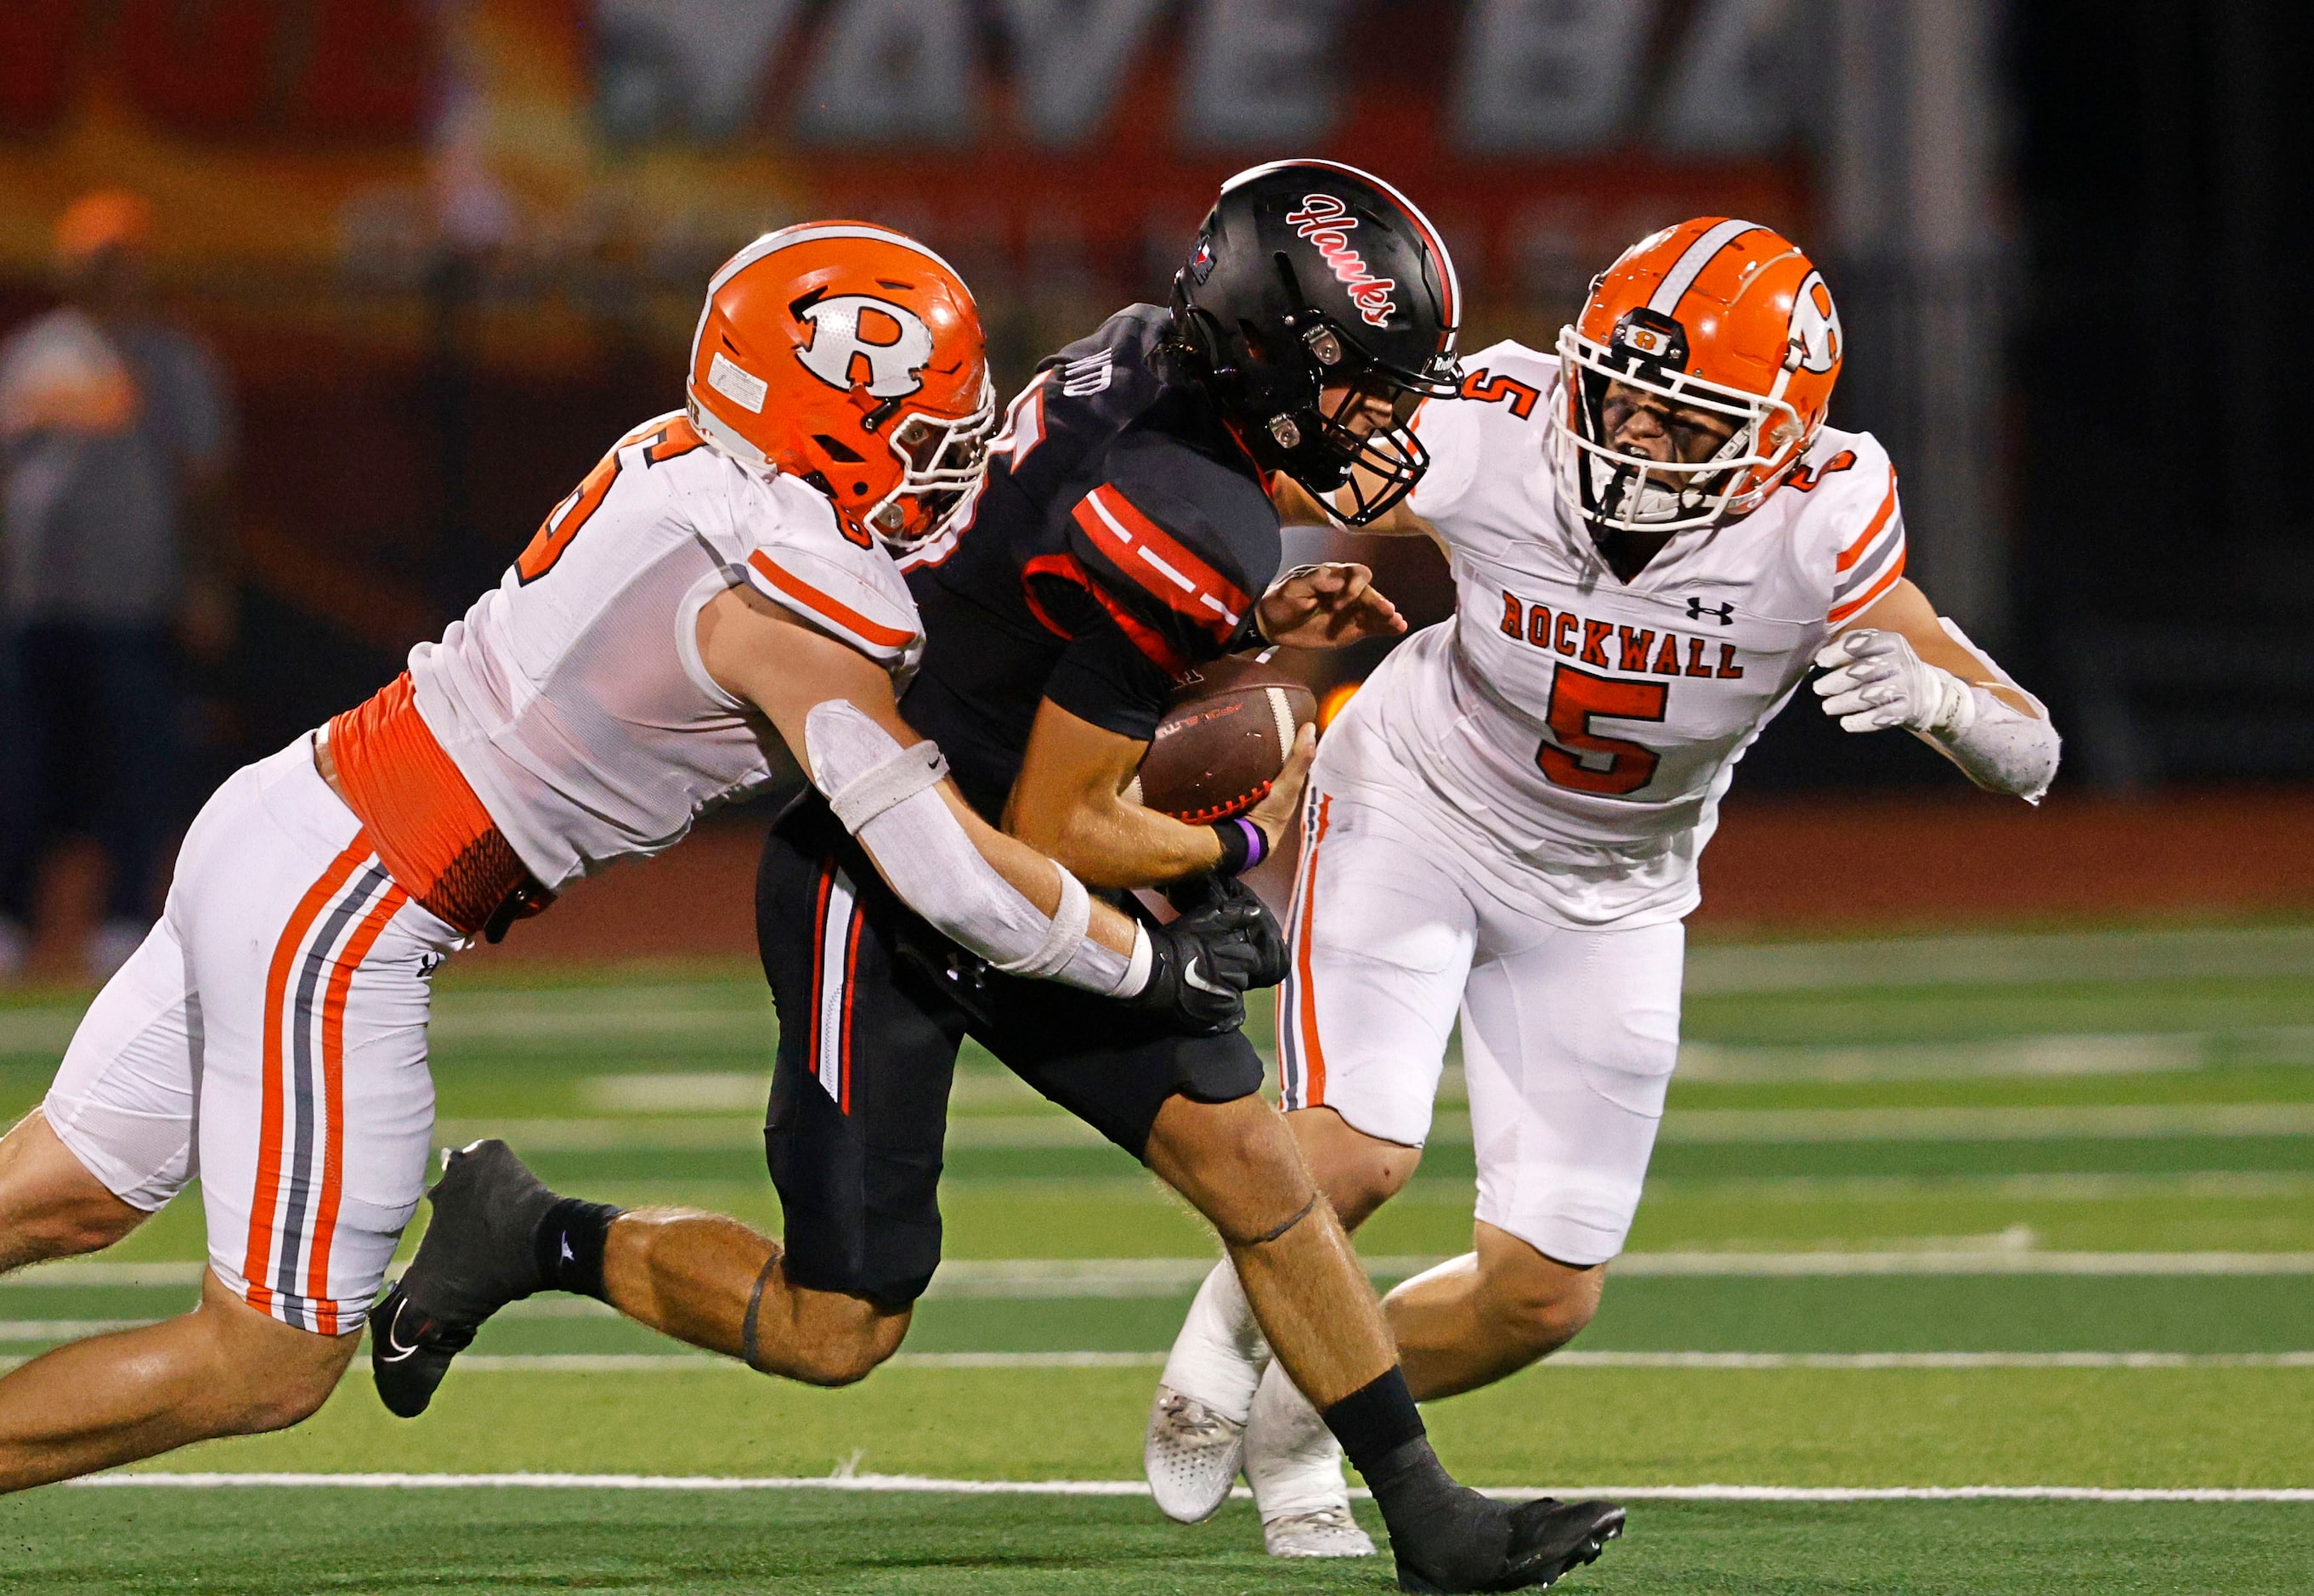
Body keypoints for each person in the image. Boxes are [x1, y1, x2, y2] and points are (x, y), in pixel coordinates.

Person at [390, 162, 1627, 1594]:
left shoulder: (1140, 359)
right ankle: (526, 1230)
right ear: (1268, 361)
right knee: (835, 1323)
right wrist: (1234, 841)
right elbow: (1059, 824)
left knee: (1263, 1177)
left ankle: (1429, 1520)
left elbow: (1052, 601)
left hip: (992, 788)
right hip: (889, 869)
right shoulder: (1187, 518)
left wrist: (1235, 627)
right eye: (1358, 382)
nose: (1384, 417)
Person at [0, 221, 1279, 1493]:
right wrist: (1146, 964)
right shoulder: (789, 602)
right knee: (267, 1360)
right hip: (351, 897)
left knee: (68, 1192)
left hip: (290, 816)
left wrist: (1231, 618)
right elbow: (945, 874)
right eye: (923, 430)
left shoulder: (693, 462)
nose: (946, 461)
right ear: (824, 412)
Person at [1147, 217, 2064, 1555]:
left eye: (1681, 422)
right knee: (1352, 1153)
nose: (1631, 440)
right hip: (1420, 795)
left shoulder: (1821, 514)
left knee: (1538, 1299)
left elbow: (2030, 747)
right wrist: (1228, 612)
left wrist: (1938, 703)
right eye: (1618, 398)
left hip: (1616, 887)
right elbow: (1242, 486)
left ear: (1775, 435)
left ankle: (1300, 1405)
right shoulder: (1493, 418)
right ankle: (1218, 1339)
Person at [0, 190, 237, 981]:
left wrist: (205, 580)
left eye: (120, 258)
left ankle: (126, 917)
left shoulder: (171, 359)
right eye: (93, 258)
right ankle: (11, 917)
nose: (108, 274)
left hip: (133, 596)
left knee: (136, 763)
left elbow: (204, 481)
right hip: (36, 598)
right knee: (20, 763)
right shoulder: (37, 351)